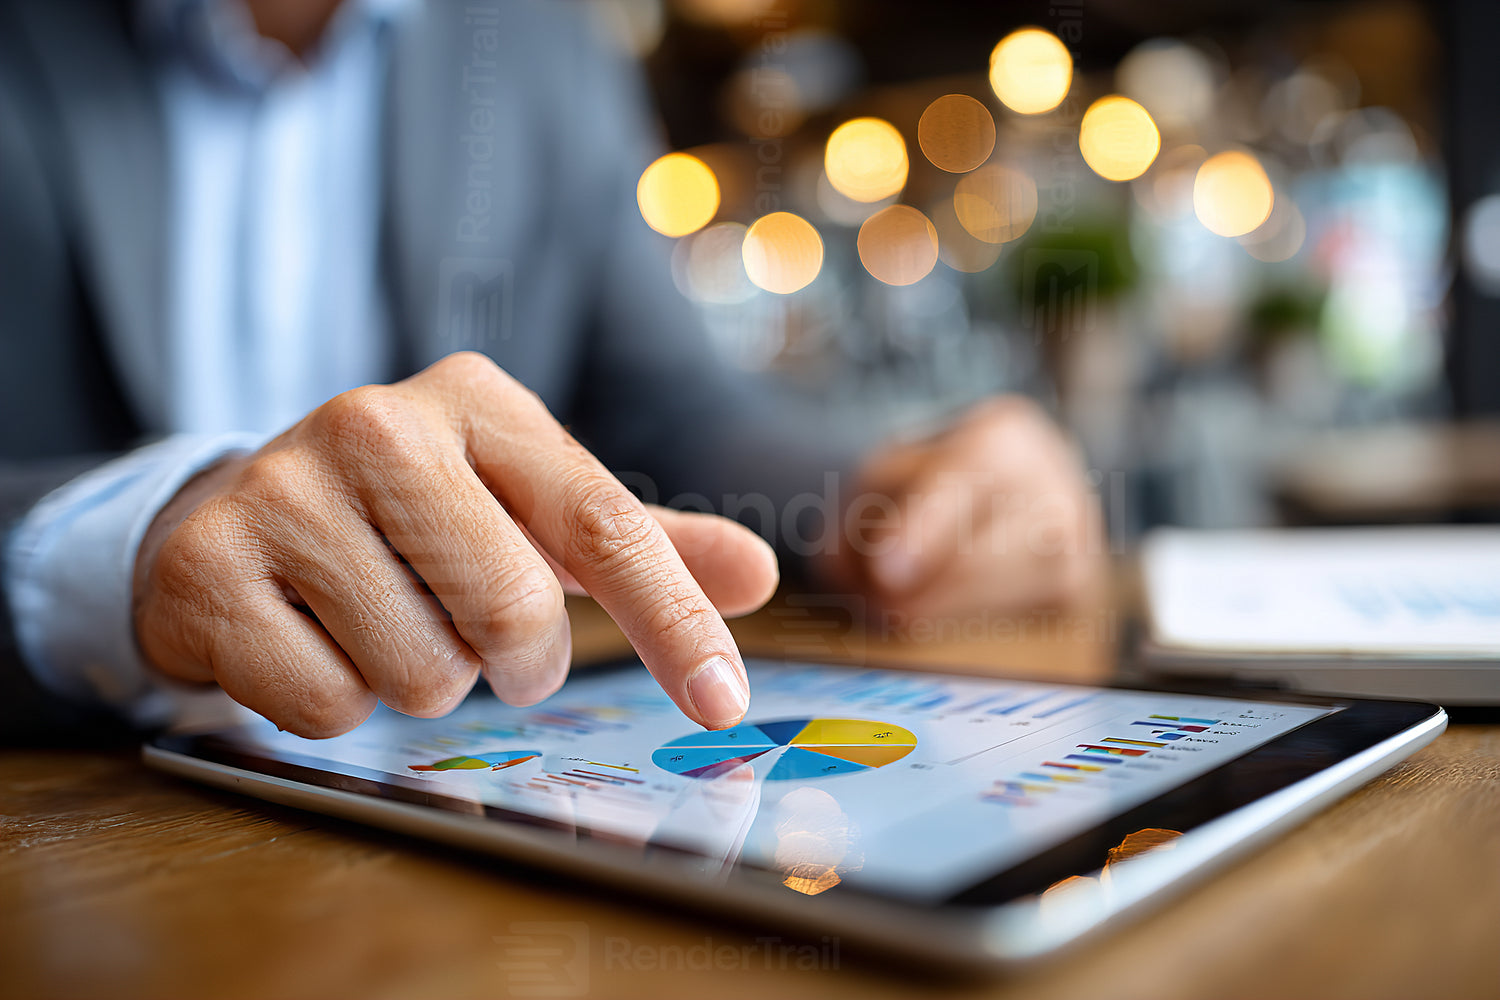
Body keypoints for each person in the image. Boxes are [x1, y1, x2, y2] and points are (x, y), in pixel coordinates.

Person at [0, 0, 1100, 743]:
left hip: (438, 808)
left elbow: (669, 403)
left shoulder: (536, 38)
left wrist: (877, 494)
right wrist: (127, 544)